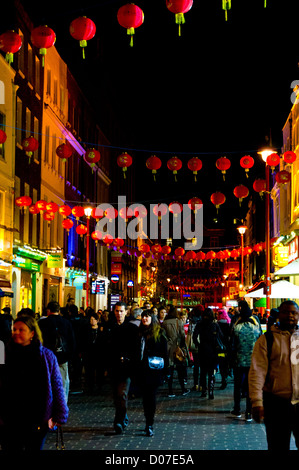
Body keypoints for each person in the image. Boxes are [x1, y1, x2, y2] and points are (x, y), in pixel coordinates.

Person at [0, 315, 68, 450]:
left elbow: (57, 386)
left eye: (21, 330)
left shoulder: (46, 356)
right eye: (14, 329)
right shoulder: (5, 353)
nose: (16, 333)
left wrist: (60, 415)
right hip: (9, 416)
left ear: (32, 333)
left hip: (37, 417)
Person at [249, 300, 299, 450]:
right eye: (286, 312)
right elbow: (257, 371)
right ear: (279, 314)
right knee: (278, 446)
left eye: (294, 313)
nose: (290, 315)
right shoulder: (267, 339)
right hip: (277, 405)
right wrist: (257, 402)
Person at [106, 302, 140, 434]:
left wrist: (133, 366)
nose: (119, 314)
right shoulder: (110, 327)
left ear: (126, 312)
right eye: (117, 311)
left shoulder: (132, 329)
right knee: (116, 396)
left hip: (126, 367)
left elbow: (136, 350)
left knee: (122, 394)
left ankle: (118, 421)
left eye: (121, 311)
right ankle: (123, 416)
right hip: (113, 367)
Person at [138, 309, 168, 437]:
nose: (145, 318)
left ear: (152, 318)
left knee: (151, 397)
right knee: (146, 398)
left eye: (148, 316)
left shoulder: (159, 333)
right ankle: (147, 420)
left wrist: (166, 370)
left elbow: (164, 353)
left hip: (154, 370)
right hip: (141, 370)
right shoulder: (138, 333)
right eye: (143, 316)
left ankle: (149, 423)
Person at [38, 301, 75, 402]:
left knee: (47, 383)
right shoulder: (66, 323)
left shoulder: (42, 323)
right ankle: (62, 405)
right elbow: (71, 341)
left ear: (48, 311)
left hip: (46, 358)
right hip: (62, 358)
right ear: (59, 311)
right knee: (62, 384)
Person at [230, 300, 261, 421]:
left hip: (239, 360)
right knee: (250, 387)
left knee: (237, 386)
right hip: (252, 360)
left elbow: (232, 344)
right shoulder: (255, 323)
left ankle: (237, 409)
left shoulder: (237, 325)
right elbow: (260, 339)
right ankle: (248, 412)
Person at [193, 308, 222, 399]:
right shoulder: (215, 325)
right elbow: (221, 336)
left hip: (203, 350)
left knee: (203, 372)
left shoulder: (200, 324)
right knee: (211, 372)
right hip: (213, 351)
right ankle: (211, 391)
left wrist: (198, 344)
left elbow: (194, 337)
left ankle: (204, 390)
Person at [161, 306, 190, 397]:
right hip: (177, 347)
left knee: (170, 369)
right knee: (180, 369)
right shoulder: (179, 322)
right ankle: (183, 389)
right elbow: (182, 335)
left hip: (168, 348)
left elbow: (163, 335)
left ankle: (170, 390)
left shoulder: (164, 323)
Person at [187, 305, 203, 391]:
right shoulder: (203, 320)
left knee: (196, 365)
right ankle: (202, 384)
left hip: (194, 344)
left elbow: (190, 332)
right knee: (203, 365)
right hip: (203, 344)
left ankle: (196, 384)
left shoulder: (192, 321)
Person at [217, 308, 231, 390]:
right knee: (226, 362)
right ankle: (226, 375)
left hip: (220, 348)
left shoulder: (217, 325)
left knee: (221, 363)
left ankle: (223, 379)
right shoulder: (229, 324)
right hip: (227, 348)